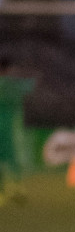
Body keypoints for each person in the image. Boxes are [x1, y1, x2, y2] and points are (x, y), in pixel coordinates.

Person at [0, 56, 35, 206]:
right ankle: (17, 189)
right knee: (13, 159)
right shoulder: (12, 85)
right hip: (10, 127)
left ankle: (3, 192)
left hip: (8, 126)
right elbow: (32, 84)